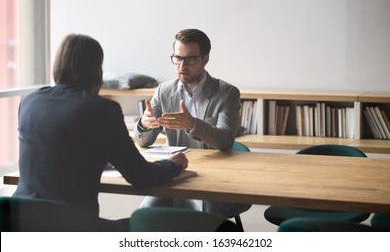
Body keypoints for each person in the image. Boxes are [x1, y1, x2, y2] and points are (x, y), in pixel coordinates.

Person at [13, 33, 188, 231]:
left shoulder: (30, 101)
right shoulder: (102, 109)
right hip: (71, 228)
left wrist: (93, 156)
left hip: (20, 221)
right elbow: (141, 177)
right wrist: (173, 165)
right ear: (97, 68)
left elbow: (54, 149)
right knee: (161, 226)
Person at [134, 28, 251, 218]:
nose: (182, 65)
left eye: (190, 59)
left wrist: (192, 124)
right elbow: (143, 141)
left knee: (201, 220)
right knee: (144, 216)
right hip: (177, 173)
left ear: (205, 59)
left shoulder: (227, 93)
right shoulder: (163, 91)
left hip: (216, 177)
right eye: (177, 58)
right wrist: (144, 124)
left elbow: (224, 141)